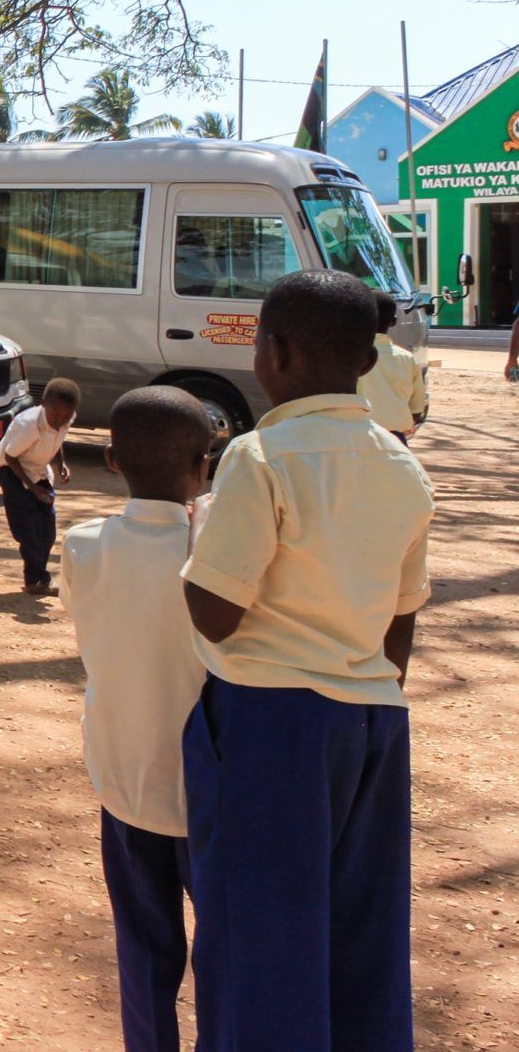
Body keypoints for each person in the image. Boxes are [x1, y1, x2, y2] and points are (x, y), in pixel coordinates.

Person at [180, 269, 434, 1052]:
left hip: (270, 720)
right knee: (363, 927)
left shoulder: (260, 457)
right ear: (366, 362)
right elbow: (400, 628)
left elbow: (216, 616)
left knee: (260, 929)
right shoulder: (404, 469)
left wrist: (190, 552)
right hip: (374, 723)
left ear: (274, 352)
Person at [58, 387, 213, 1052]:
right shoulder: (214, 551)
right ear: (204, 465)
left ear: (112, 459)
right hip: (210, 789)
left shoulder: (85, 543)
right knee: (225, 951)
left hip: (124, 776)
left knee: (144, 950)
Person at [0, 377, 80, 594]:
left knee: (47, 530)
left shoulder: (66, 418)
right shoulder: (29, 424)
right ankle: (35, 580)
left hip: (37, 469)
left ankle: (39, 576)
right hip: (11, 470)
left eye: (65, 416)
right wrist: (32, 487)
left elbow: (58, 440)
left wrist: (61, 464)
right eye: (55, 414)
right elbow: (10, 457)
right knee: (28, 529)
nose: (59, 420)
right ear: (44, 404)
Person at [356, 291, 428, 443]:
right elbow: (417, 406)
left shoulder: (348, 355)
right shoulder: (406, 358)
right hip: (396, 435)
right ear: (394, 321)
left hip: (359, 432)